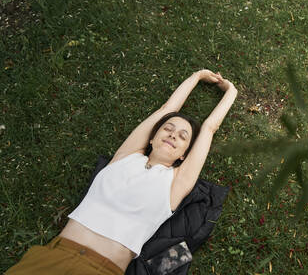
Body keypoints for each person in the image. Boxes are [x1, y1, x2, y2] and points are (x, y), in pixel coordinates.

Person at [5, 69, 238, 275]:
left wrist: (231, 92)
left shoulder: (176, 183)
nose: (173, 135)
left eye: (182, 137)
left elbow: (210, 128)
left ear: (183, 155)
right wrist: (195, 76)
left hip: (102, 269)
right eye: (168, 128)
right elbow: (167, 109)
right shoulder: (126, 157)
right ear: (153, 136)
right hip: (51, 257)